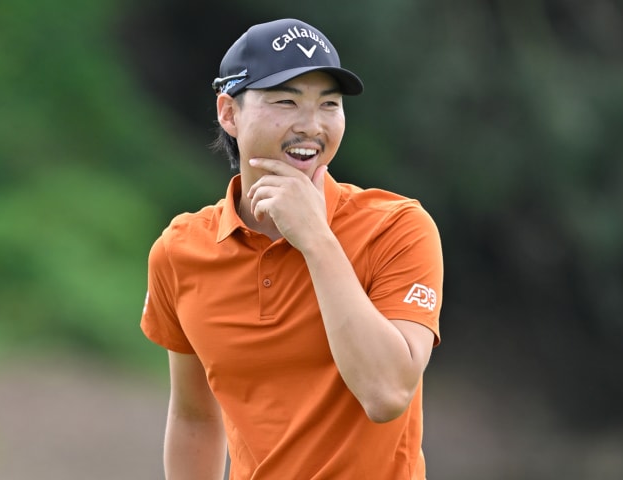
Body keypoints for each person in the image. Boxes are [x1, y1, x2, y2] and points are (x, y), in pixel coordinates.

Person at [141, 18, 443, 479]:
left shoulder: (398, 228)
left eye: (329, 104)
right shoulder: (180, 252)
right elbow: (194, 417)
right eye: (286, 102)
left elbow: (386, 394)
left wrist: (316, 238)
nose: (312, 126)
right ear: (229, 113)